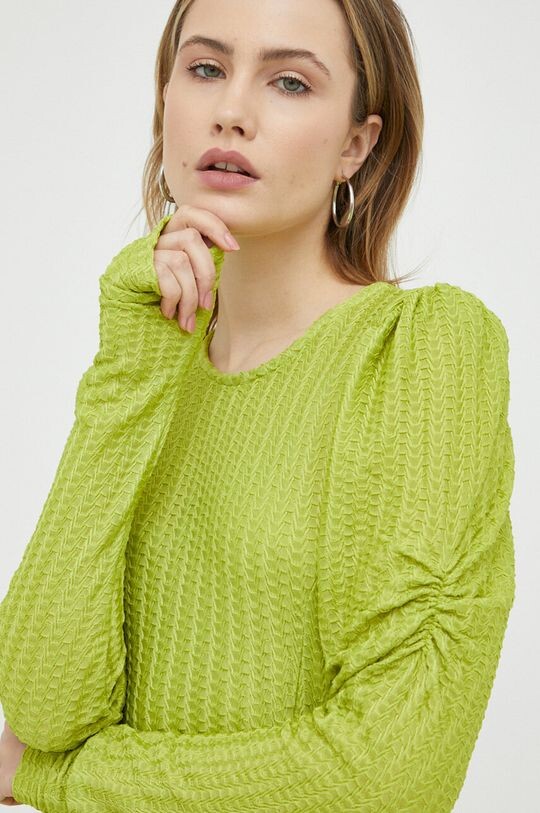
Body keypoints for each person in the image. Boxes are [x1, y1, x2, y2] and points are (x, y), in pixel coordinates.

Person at [0, 0, 515, 810]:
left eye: (289, 83)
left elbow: (390, 773)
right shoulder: (149, 369)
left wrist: (63, 779)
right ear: (166, 99)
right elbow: (43, 707)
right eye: (205, 68)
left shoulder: (419, 351)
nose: (231, 111)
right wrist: (130, 369)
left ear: (356, 143)